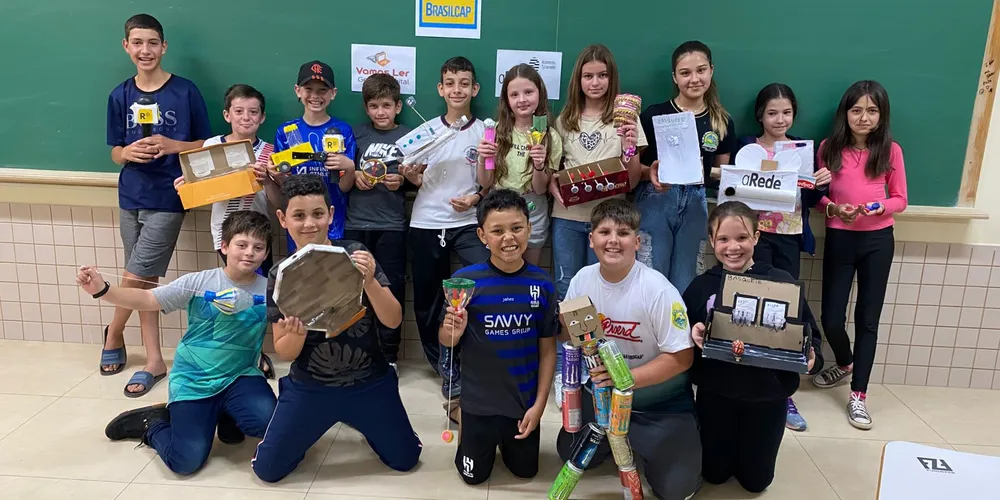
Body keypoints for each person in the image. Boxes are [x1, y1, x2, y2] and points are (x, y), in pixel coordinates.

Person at [251, 174, 420, 483]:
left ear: (330, 214)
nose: (309, 224)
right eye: (298, 216)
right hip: (311, 386)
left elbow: (393, 320)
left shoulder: (355, 254)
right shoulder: (281, 275)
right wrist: (297, 333)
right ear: (283, 219)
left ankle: (364, 415)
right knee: (268, 470)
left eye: (317, 214)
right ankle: (307, 412)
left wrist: (369, 281)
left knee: (406, 459)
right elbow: (285, 352)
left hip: (370, 381)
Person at [84, 211, 276, 476]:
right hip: (194, 380)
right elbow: (148, 299)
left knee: (271, 424)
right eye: (241, 245)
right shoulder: (199, 282)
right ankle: (152, 424)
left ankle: (227, 416)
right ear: (224, 246)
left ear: (266, 254)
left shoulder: (271, 289)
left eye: (258, 247)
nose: (249, 253)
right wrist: (103, 290)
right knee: (185, 462)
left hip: (240, 376)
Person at [555, 198, 701, 500]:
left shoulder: (658, 290)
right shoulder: (582, 280)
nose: (613, 240)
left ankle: (666, 437)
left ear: (637, 242)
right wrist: (557, 322)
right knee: (567, 450)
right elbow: (568, 335)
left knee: (676, 490)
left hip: (657, 401)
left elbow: (682, 358)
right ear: (591, 239)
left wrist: (625, 379)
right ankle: (618, 437)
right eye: (604, 232)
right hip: (602, 397)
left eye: (622, 233)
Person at [104, 13, 212, 397]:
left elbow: (206, 143)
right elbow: (114, 150)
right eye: (137, 42)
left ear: (164, 47)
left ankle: (117, 333)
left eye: (152, 42)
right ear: (126, 46)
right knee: (144, 278)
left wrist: (172, 145)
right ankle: (152, 358)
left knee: (138, 275)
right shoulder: (120, 95)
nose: (145, 50)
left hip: (169, 195)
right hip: (130, 194)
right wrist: (127, 153)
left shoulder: (185, 91)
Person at [683, 201, 823, 493]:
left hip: (767, 397)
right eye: (723, 239)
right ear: (712, 241)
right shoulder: (700, 287)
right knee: (714, 474)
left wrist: (811, 357)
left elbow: (810, 335)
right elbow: (681, 339)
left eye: (742, 237)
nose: (733, 247)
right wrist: (693, 336)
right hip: (716, 395)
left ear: (756, 238)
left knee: (756, 482)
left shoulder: (781, 282)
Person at [439, 189, 557, 485]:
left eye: (516, 228)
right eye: (497, 231)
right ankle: (461, 414)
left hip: (522, 405)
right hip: (478, 405)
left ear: (529, 229)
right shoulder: (466, 282)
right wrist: (454, 330)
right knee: (473, 477)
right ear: (482, 235)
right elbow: (446, 340)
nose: (508, 238)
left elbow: (547, 351)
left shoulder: (543, 284)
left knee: (526, 472)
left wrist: (539, 406)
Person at [550, 43, 645, 407]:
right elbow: (554, 173)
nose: (595, 82)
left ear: (611, 78)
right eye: (588, 76)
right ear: (578, 79)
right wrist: (556, 186)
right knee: (568, 295)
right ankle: (566, 369)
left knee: (604, 297)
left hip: (609, 222)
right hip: (569, 219)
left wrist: (630, 148)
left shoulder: (626, 120)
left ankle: (600, 371)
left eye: (602, 75)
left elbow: (632, 180)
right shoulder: (564, 120)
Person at [734, 83, 832, 431]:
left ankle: (782, 390)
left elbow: (809, 199)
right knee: (747, 306)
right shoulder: (745, 147)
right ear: (760, 115)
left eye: (786, 113)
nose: (780, 119)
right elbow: (731, 190)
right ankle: (743, 380)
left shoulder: (802, 150)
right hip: (752, 238)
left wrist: (820, 184)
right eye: (772, 113)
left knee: (785, 309)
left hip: (789, 238)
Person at [812, 80, 908, 430]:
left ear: (882, 115)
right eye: (856, 110)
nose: (863, 117)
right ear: (845, 113)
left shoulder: (890, 151)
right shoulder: (828, 148)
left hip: (878, 241)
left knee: (868, 320)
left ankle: (858, 394)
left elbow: (900, 199)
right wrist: (834, 208)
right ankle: (845, 361)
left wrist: (876, 207)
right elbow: (817, 196)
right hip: (840, 238)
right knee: (831, 319)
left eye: (871, 111)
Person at [402, 56, 489, 409]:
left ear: (475, 89)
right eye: (450, 83)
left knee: (481, 286)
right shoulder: (424, 132)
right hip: (426, 221)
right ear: (440, 89)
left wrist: (476, 197)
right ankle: (444, 364)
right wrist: (412, 176)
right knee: (428, 299)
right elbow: (415, 177)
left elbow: (489, 180)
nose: (457, 90)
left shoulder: (485, 132)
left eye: (464, 83)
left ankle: (473, 357)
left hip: (468, 223)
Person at [638, 40, 736, 295]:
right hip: (657, 198)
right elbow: (634, 167)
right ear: (675, 77)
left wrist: (708, 172)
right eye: (685, 73)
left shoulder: (721, 121)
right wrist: (650, 172)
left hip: (696, 201)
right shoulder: (654, 115)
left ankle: (682, 324)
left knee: (687, 282)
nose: (694, 79)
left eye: (701, 70)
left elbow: (721, 174)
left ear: (711, 70)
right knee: (651, 278)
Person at [346, 74, 412, 371]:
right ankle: (356, 351)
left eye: (386, 105)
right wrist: (355, 175)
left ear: (398, 106)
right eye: (374, 106)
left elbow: (418, 177)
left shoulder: (410, 137)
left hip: (392, 226)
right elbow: (342, 174)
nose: (380, 112)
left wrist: (403, 181)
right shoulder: (355, 135)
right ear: (366, 108)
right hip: (356, 224)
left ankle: (388, 356)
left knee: (390, 288)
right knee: (353, 291)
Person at [476, 63, 563, 265]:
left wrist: (539, 165)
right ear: (506, 100)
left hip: (533, 209)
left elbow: (540, 189)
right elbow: (485, 182)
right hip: (499, 207)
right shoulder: (496, 132)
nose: (522, 100)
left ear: (540, 94)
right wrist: (482, 158)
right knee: (501, 269)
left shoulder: (550, 137)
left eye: (528, 92)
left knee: (528, 271)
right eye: (514, 95)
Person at [273, 60, 357, 252]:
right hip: (299, 223)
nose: (315, 96)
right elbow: (285, 182)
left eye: (322, 90)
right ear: (297, 90)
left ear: (333, 93)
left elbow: (344, 186)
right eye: (308, 89)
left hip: (332, 221)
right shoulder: (286, 131)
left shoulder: (343, 130)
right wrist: (276, 174)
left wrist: (349, 167)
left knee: (332, 266)